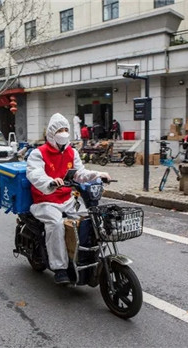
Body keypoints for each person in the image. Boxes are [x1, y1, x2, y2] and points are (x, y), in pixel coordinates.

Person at [26, 113, 111, 285]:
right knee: (56, 224)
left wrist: (98, 174)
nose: (63, 133)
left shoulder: (72, 152)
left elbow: (80, 173)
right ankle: (60, 268)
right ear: (51, 133)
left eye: (66, 129)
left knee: (90, 220)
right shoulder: (38, 153)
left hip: (67, 200)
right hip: (45, 201)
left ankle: (84, 257)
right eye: (59, 130)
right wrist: (50, 182)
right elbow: (34, 174)